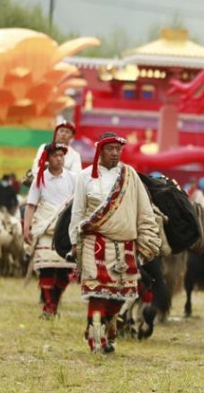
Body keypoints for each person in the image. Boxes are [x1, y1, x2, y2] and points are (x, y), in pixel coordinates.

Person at [68, 132, 161, 354]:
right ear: (100, 151)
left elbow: (144, 209)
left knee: (120, 294)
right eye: (111, 149)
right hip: (94, 242)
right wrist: (74, 241)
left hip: (124, 245)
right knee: (97, 292)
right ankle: (94, 337)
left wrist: (147, 237)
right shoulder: (84, 177)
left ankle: (109, 331)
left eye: (118, 149)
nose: (115, 153)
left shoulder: (130, 176)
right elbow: (78, 211)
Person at [22, 143, 77, 318]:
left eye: (62, 156)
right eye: (55, 156)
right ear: (48, 158)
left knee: (65, 270)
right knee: (46, 268)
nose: (59, 159)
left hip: (65, 231)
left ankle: (53, 305)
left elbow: (77, 205)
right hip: (44, 228)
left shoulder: (73, 178)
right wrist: (26, 228)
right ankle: (49, 306)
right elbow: (31, 205)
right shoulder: (40, 179)